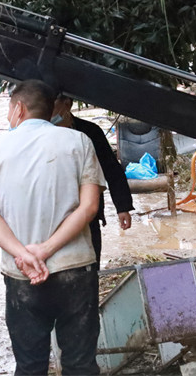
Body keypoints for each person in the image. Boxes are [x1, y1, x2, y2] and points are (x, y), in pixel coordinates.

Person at [0, 79, 106, 375]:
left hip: (21, 273)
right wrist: (45, 250)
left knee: (29, 366)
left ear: (19, 109)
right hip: (74, 269)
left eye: (9, 108)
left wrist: (24, 254)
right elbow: (89, 207)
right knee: (80, 365)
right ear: (51, 111)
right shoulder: (79, 142)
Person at [51, 95, 134, 269]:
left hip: (87, 212)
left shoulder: (89, 132)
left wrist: (123, 206)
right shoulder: (37, 134)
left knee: (90, 263)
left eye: (52, 103)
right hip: (52, 213)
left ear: (67, 104)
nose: (48, 108)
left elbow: (111, 169)